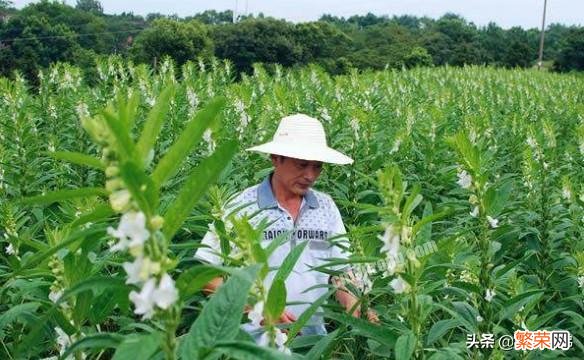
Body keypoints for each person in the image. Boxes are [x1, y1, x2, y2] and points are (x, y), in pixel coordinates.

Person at [195, 113, 378, 339]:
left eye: (317, 166)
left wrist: (355, 303)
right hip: (253, 343)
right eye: (302, 165)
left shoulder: (325, 207)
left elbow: (339, 270)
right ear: (275, 158)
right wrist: (260, 308)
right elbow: (204, 276)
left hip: (313, 343)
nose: (310, 175)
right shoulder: (240, 207)